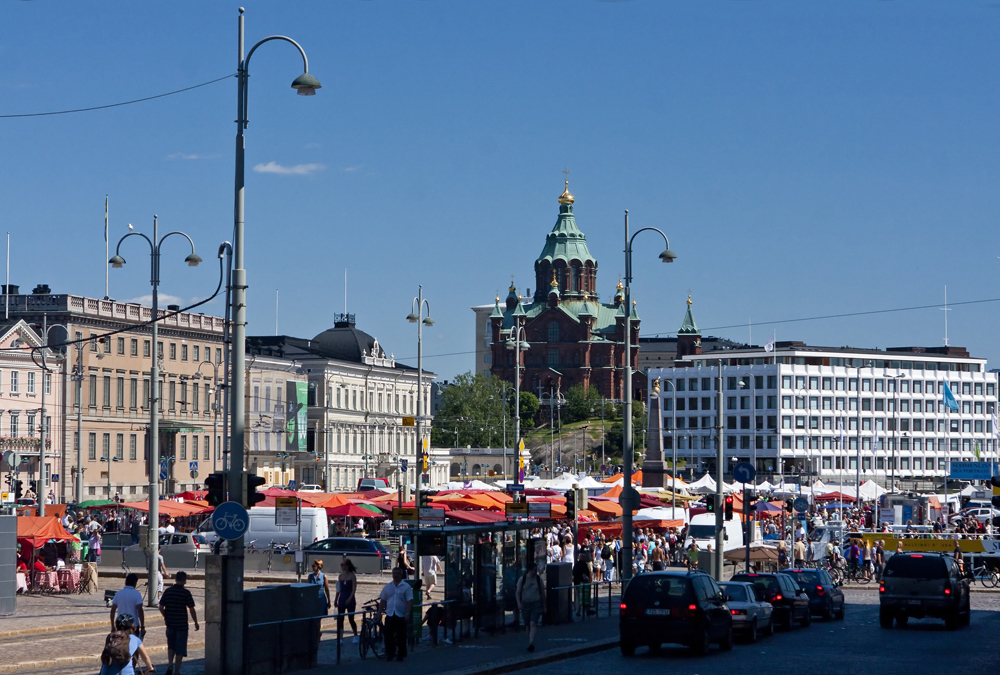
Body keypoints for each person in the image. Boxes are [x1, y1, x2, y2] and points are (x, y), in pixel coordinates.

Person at [158, 571, 198, 675]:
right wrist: (195, 622)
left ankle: (170, 664)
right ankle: (176, 671)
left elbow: (161, 607)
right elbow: (192, 609)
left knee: (171, 646)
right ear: (185, 581)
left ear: (175, 580)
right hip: (182, 625)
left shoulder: (168, 591)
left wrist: (166, 615)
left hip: (170, 623)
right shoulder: (186, 593)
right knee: (180, 648)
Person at [378, 566, 413, 662]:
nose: (395, 575)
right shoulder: (388, 586)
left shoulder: (406, 587)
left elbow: (409, 601)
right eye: (394, 574)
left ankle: (401, 654)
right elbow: (383, 600)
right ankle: (390, 653)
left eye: (397, 573)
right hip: (390, 613)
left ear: (401, 575)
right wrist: (379, 612)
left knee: (401, 635)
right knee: (388, 634)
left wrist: (408, 613)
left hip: (401, 614)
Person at [515, 564, 545, 652]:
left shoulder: (539, 580)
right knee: (527, 625)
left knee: (533, 623)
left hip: (536, 604)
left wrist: (544, 605)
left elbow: (543, 593)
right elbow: (517, 592)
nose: (536, 572)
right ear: (530, 570)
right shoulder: (522, 579)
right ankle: (530, 640)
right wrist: (519, 603)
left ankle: (531, 642)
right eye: (535, 570)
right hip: (525, 604)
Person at [335, 558, 359, 642]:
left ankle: (355, 635)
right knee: (340, 619)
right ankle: (340, 637)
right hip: (342, 598)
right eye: (341, 565)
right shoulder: (340, 576)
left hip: (350, 599)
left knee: (351, 618)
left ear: (347, 566)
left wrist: (350, 598)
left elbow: (354, 589)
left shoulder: (352, 576)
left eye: (343, 564)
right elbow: (338, 589)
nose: (341, 566)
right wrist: (335, 599)